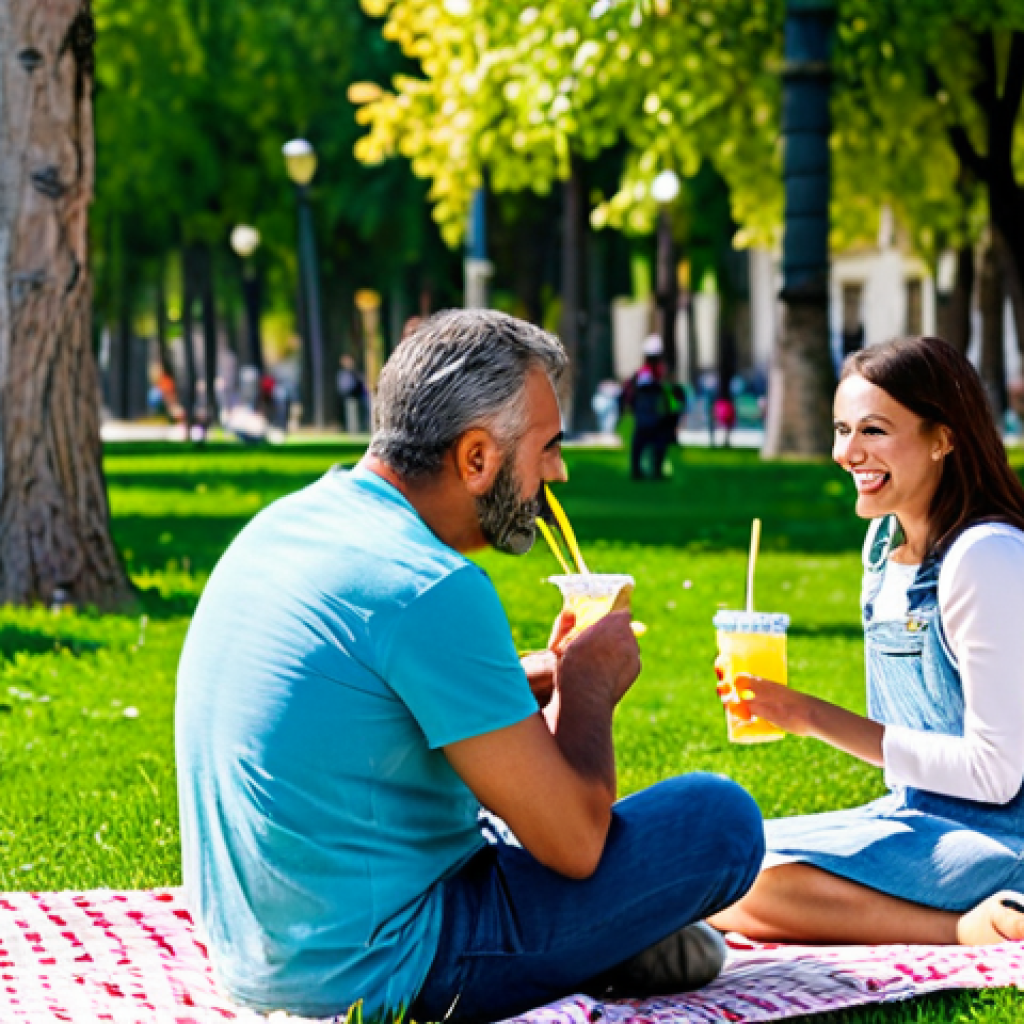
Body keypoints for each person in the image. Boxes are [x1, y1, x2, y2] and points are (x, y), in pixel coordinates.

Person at [176, 309, 764, 1022]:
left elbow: (370, 712)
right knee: (719, 819)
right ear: (477, 458)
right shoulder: (430, 585)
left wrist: (532, 675)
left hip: (261, 957)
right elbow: (576, 846)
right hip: (382, 967)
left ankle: (612, 938)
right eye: (547, 448)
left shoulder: (291, 524)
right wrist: (586, 688)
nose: (559, 472)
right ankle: (608, 940)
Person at [710, 335, 1024, 947]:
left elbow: (998, 774)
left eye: (873, 431)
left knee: (738, 880)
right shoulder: (883, 547)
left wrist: (808, 715)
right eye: (841, 429)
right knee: (709, 860)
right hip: (914, 819)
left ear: (943, 438)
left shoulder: (986, 559)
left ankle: (968, 929)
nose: (847, 452)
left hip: (1000, 839)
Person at [620, 335, 686, 480]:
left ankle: (647, 470)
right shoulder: (653, 374)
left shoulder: (646, 374)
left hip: (649, 416)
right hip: (654, 416)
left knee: (645, 444)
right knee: (650, 444)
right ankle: (644, 470)